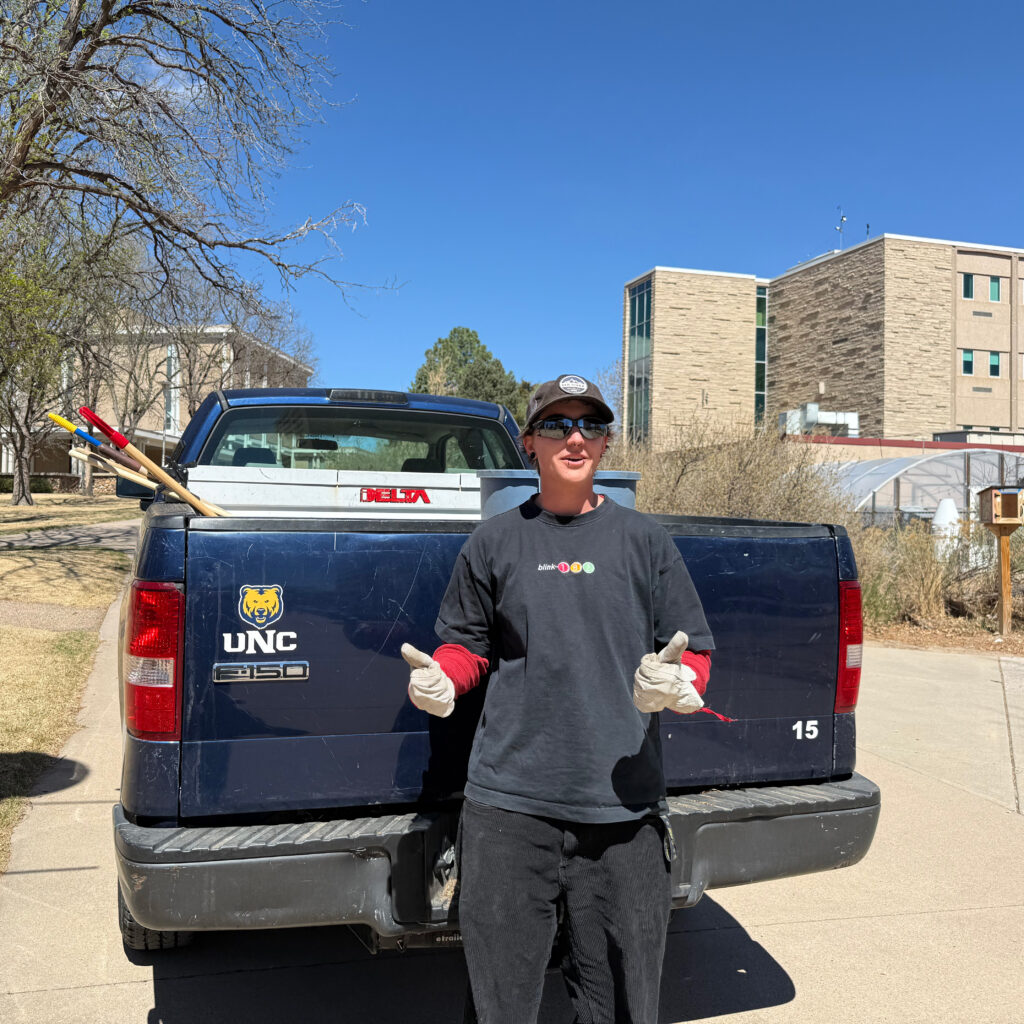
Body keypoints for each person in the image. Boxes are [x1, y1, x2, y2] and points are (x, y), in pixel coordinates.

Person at [400, 374, 714, 1024]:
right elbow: (467, 646)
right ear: (529, 443)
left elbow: (693, 649)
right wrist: (442, 680)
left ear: (605, 443)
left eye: (590, 425)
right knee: (502, 1006)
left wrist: (683, 685)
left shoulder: (645, 542)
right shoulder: (494, 541)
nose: (574, 437)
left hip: (623, 814)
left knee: (620, 1006)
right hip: (510, 814)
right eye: (557, 424)